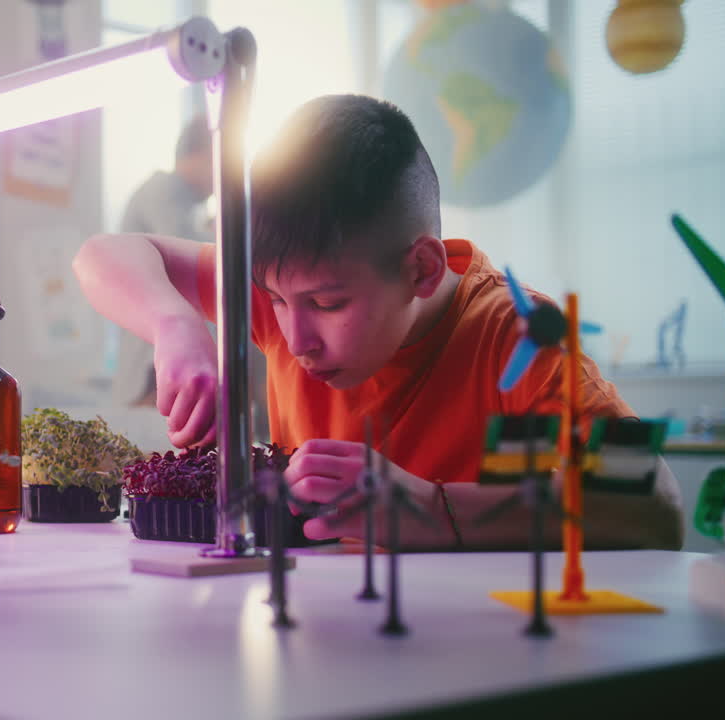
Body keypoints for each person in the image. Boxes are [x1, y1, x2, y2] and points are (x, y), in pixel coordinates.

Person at [73, 94, 683, 552]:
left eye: (328, 305)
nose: (294, 339)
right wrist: (175, 324)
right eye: (276, 301)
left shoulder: (514, 335)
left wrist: (427, 507)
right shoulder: (286, 284)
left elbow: (657, 506)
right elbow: (101, 255)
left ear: (420, 268)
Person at [111, 114, 269, 439]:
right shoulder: (165, 189)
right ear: (203, 153)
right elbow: (194, 256)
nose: (222, 179)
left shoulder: (182, 202)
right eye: (223, 164)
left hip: (161, 364)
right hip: (153, 369)